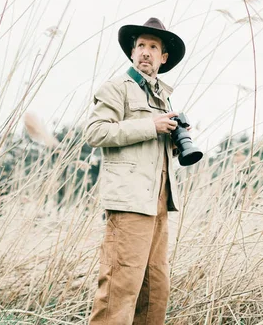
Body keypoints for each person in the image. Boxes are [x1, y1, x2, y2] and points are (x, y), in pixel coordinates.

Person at [85, 17, 187, 324]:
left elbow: (147, 145)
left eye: (153, 47)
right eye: (140, 45)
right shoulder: (117, 88)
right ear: (132, 52)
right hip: (129, 204)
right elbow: (96, 132)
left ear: (163, 57)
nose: (145, 52)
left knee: (155, 293)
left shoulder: (163, 97)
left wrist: (173, 141)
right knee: (119, 291)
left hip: (158, 204)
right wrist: (150, 126)